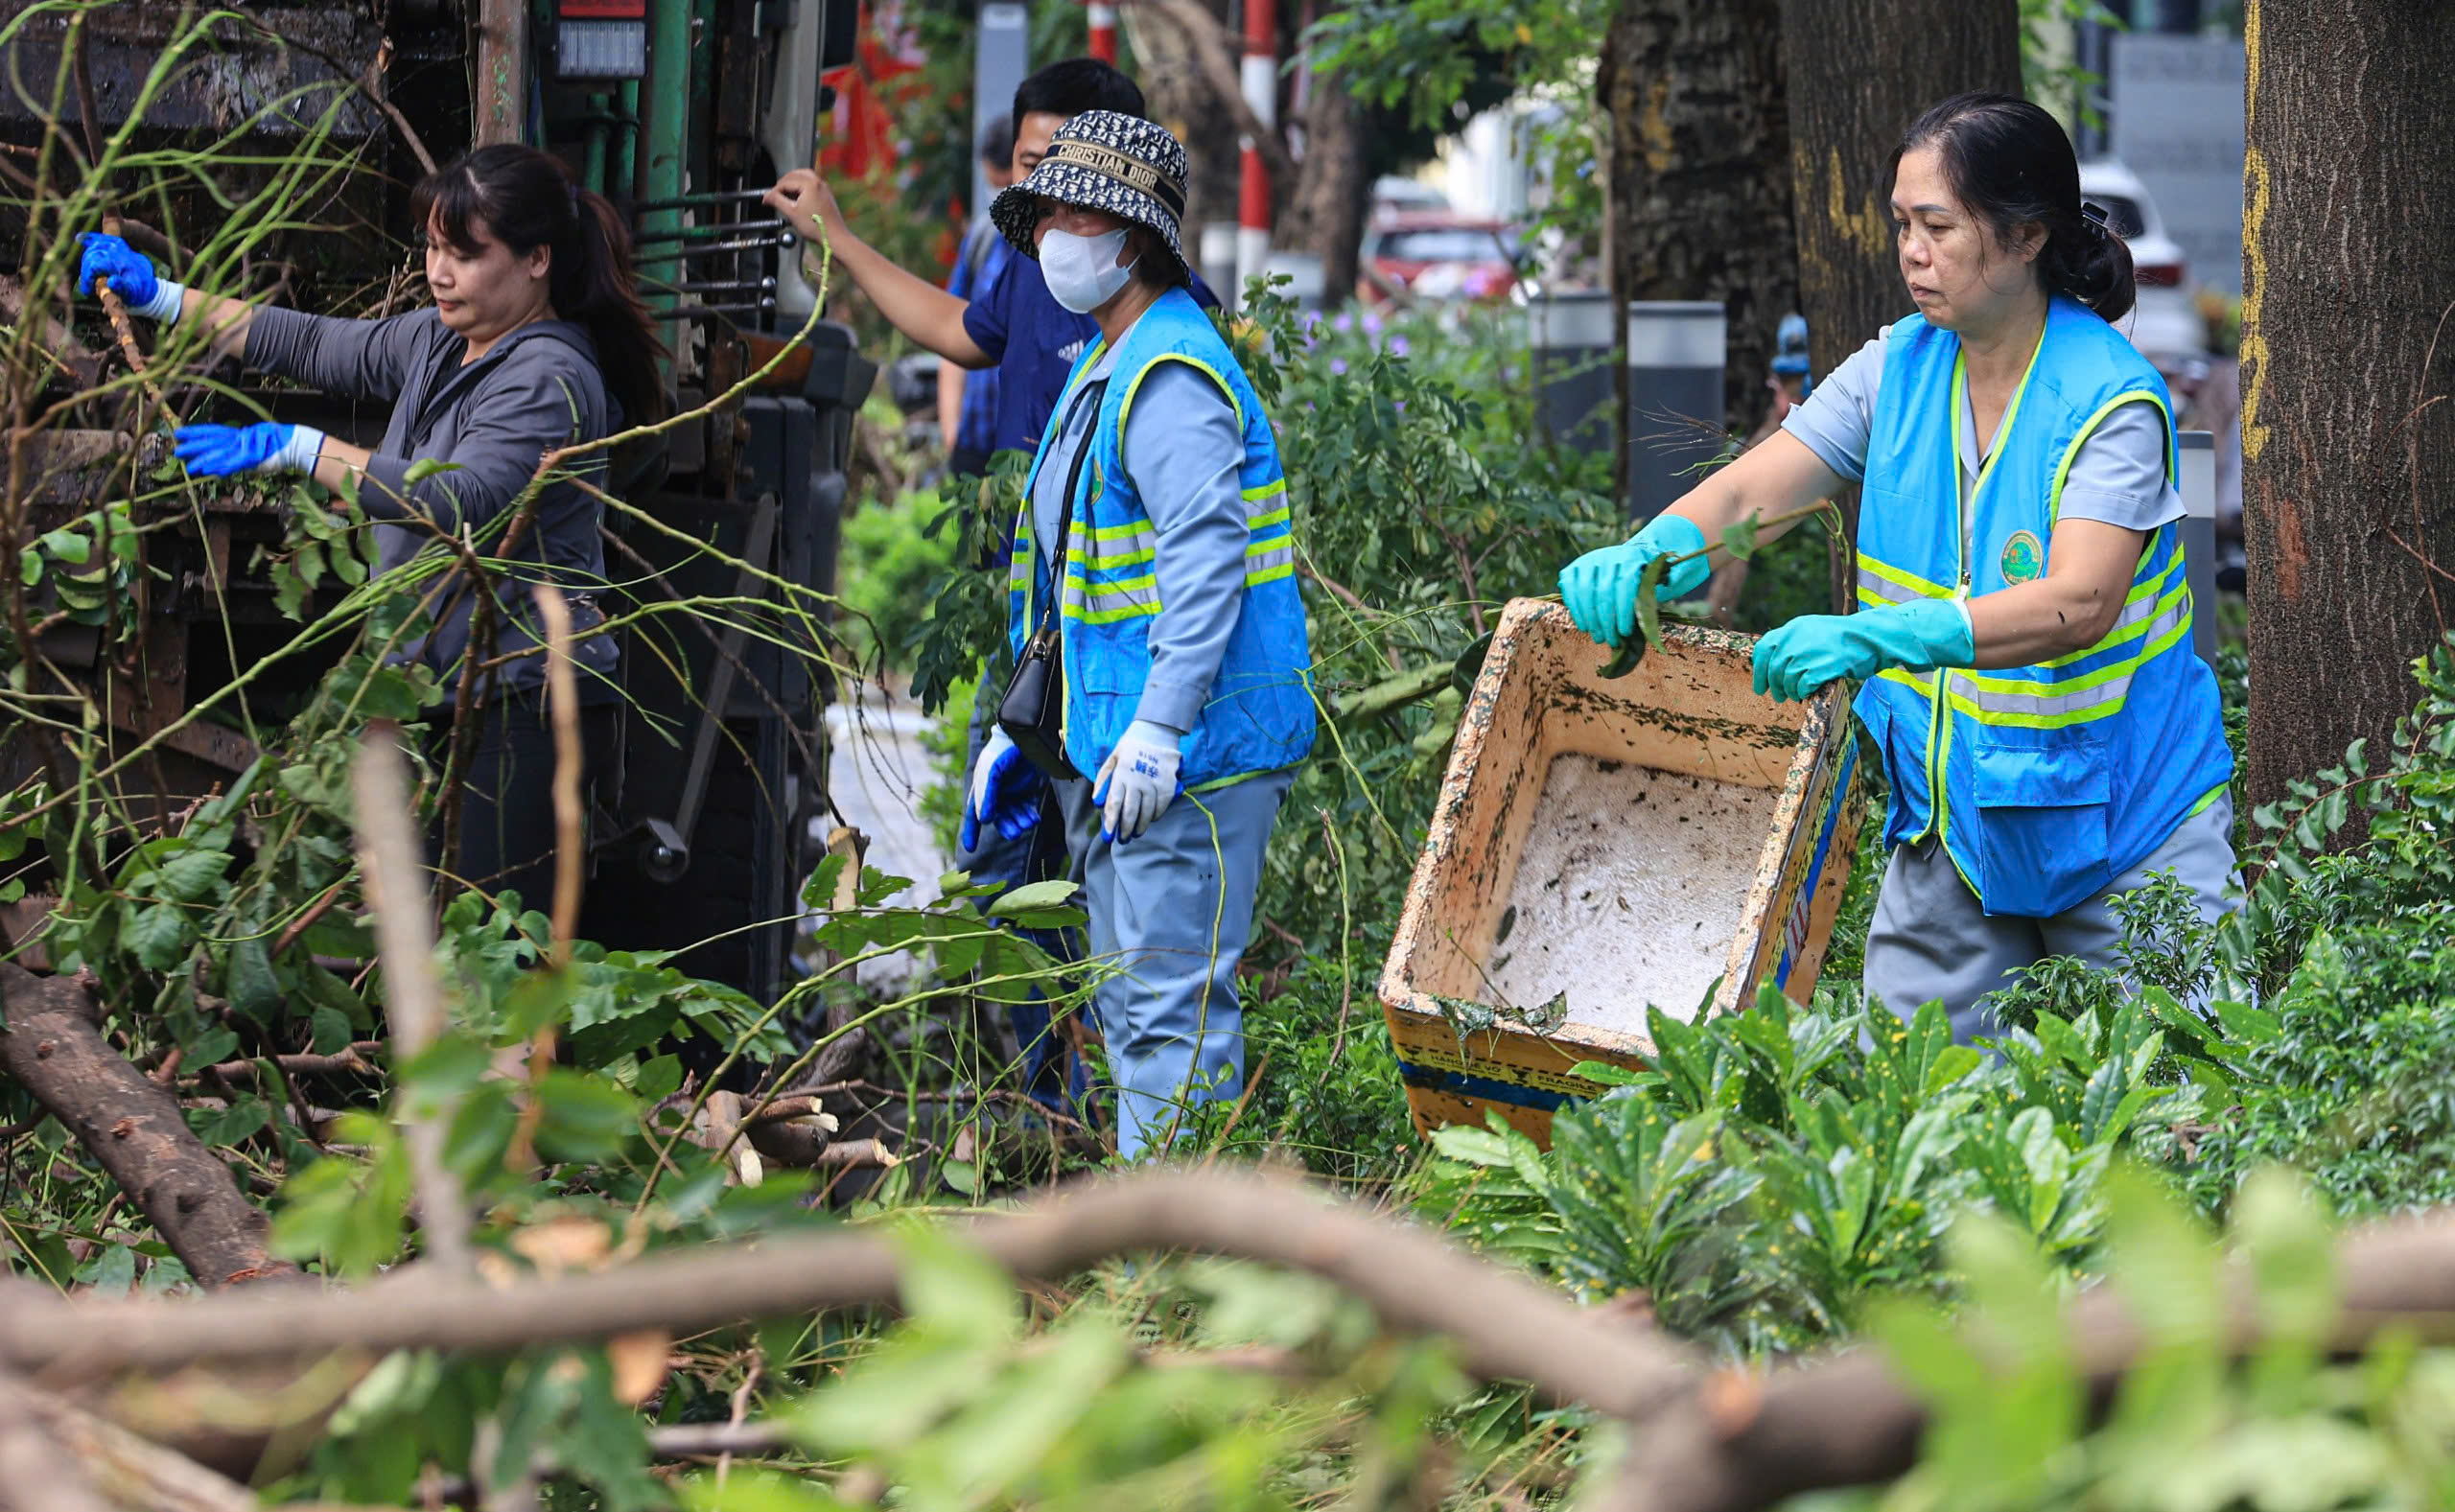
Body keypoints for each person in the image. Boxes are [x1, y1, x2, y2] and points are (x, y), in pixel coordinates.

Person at [1556, 93, 2235, 1044]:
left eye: (1937, 226)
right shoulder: (1896, 370)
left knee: (2185, 1108)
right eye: (1901, 224)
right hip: (1956, 825)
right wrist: (1653, 550)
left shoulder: (2110, 399)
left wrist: (1880, 637)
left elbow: (2080, 600)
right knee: (1916, 1123)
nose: (1910, 250)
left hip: (2131, 820)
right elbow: (1758, 492)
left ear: (2025, 235)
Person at [803, 110, 1310, 1156]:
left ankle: (1181, 1270)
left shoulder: (1170, 375)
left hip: (1191, 755)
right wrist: (1027, 724)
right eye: (1045, 215)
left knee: (1171, 1012)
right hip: (1121, 746)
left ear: (1137, 239)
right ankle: (1154, 1248)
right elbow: (1076, 575)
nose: (1052, 237)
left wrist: (1162, 725)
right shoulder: (1111, 359)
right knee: (1131, 1010)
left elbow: (1205, 569)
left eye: (1081, 214)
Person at [77, 144, 663, 911]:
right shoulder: (439, 339)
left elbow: (459, 500)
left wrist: (298, 447)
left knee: (494, 958)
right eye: (431, 247)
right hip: (444, 697)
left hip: (524, 712)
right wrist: (161, 298)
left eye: (464, 253)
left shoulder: (548, 377)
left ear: (536, 261)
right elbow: (308, 342)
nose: (439, 272)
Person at [941, 113, 1016, 478]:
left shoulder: (1057, 251)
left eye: (1006, 185)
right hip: (975, 446)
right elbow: (951, 326)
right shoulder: (982, 239)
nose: (1000, 196)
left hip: (1027, 452)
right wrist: (951, 432)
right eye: (993, 185)